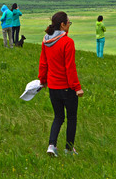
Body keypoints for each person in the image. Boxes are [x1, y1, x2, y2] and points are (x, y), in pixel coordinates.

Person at [39, 11, 84, 157]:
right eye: (68, 23)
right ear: (62, 25)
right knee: (71, 118)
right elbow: (70, 67)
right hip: (67, 88)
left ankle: (51, 146)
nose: (69, 26)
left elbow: (43, 63)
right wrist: (77, 87)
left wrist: (43, 80)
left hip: (52, 86)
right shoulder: (67, 42)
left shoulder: (46, 41)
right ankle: (69, 149)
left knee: (58, 117)